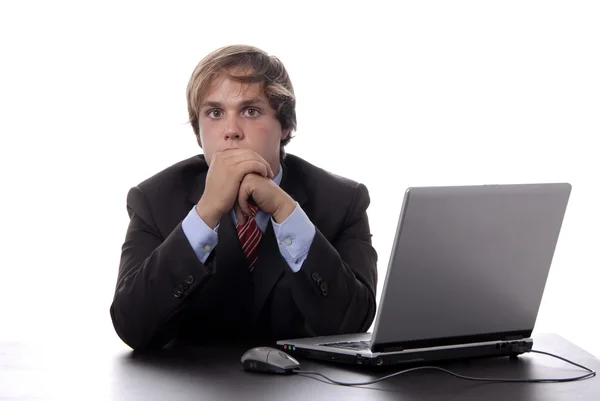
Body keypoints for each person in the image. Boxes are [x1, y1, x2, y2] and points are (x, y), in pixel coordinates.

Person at [110, 45, 378, 350]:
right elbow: (132, 326)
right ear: (198, 130)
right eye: (215, 113)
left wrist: (285, 210)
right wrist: (206, 213)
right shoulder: (153, 200)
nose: (231, 131)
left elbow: (353, 325)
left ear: (286, 125)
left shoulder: (343, 201)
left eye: (251, 111)